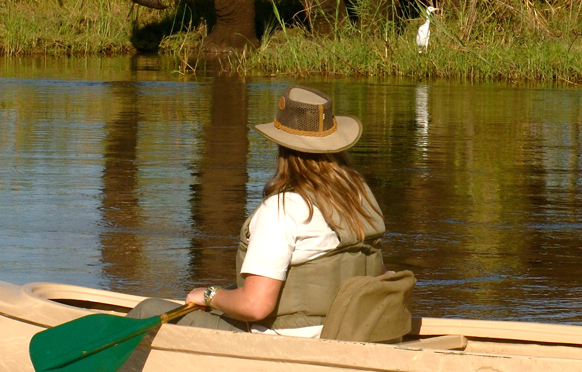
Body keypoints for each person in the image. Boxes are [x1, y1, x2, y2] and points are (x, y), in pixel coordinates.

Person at [131, 85, 389, 337]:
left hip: (290, 340)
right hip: (355, 331)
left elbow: (255, 306)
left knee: (148, 310)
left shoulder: (283, 209)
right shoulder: (359, 196)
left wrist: (210, 295)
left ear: (282, 146)